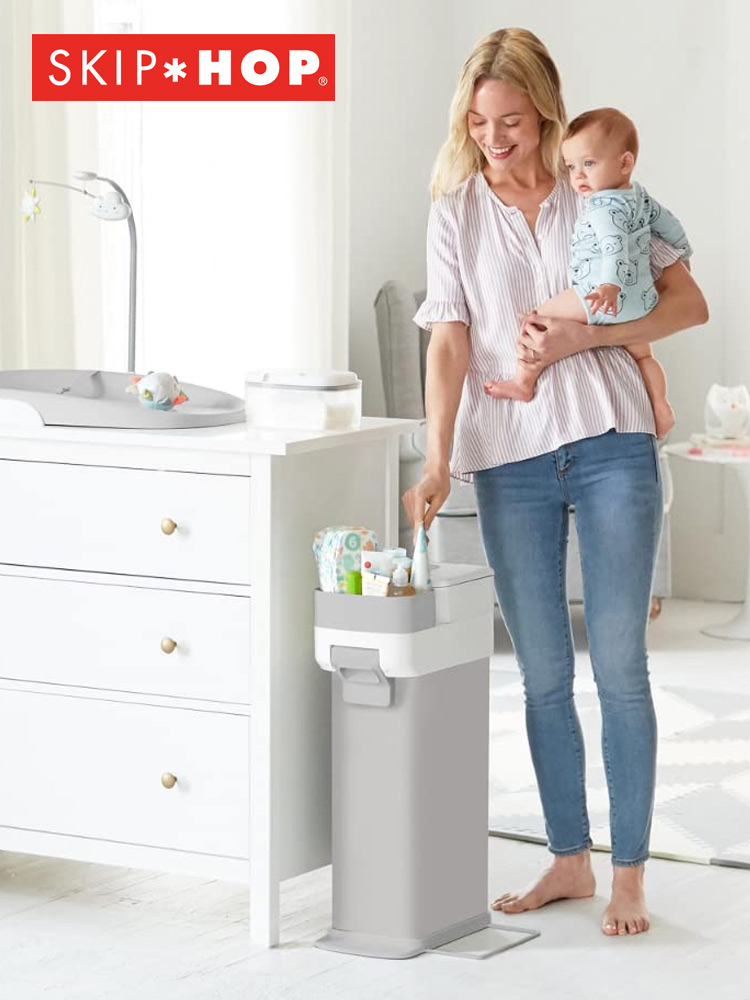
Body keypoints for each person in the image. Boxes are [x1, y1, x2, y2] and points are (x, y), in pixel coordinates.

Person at [402, 27, 708, 937]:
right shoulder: (454, 210)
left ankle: (629, 876)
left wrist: (589, 339)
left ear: (545, 110)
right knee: (540, 676)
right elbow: (450, 337)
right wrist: (437, 452)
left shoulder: (599, 188)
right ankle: (568, 861)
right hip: (510, 455)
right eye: (479, 120)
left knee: (618, 668)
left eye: (512, 119)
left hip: (611, 438)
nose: (495, 136)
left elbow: (687, 304)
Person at [483, 106, 691, 442]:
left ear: (624, 163)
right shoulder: (640, 197)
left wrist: (608, 285)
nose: (578, 176)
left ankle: (523, 381)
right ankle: (660, 404)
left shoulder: (602, 206)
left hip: (599, 294)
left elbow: (612, 246)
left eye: (588, 164)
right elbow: (670, 224)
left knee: (537, 318)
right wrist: (685, 253)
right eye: (571, 167)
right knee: (643, 355)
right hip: (639, 301)